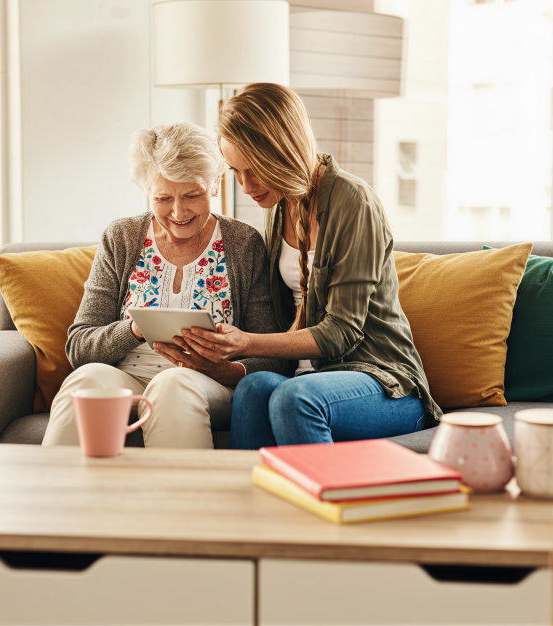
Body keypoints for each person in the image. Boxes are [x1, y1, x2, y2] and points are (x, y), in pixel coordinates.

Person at [178, 83, 443, 449]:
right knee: (253, 388)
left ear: (283, 151)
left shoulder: (353, 201)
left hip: (385, 381)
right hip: (308, 378)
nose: (246, 186)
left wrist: (245, 343)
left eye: (255, 169)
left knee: (295, 398)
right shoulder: (279, 207)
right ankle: (245, 505)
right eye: (236, 172)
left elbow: (341, 333)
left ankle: (324, 503)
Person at [41, 122, 285, 449]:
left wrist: (224, 368)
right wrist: (135, 329)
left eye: (192, 195)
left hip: (207, 385)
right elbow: (80, 346)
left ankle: (180, 500)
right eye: (163, 197)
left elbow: (272, 354)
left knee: (172, 385)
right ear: (146, 192)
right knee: (84, 382)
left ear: (215, 186)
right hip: (128, 377)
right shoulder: (121, 238)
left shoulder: (244, 244)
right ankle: (59, 497)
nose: (178, 212)